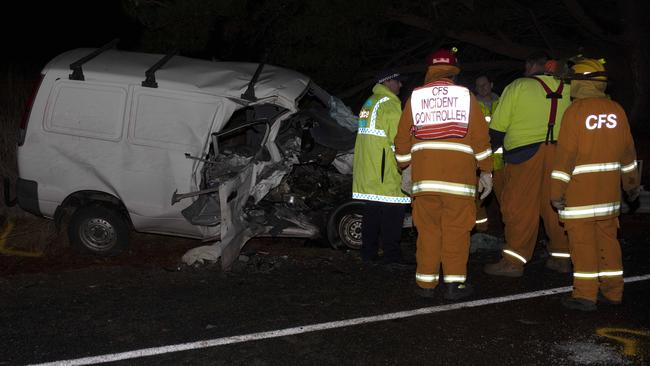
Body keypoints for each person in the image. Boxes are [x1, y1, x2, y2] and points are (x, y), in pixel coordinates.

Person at [394, 48, 493, 300]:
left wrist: (405, 168)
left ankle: (425, 285)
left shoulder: (415, 97)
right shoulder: (465, 96)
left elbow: (402, 140)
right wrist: (487, 172)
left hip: (425, 180)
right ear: (453, 70)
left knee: (427, 231)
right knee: (456, 232)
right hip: (458, 181)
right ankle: (454, 285)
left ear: (430, 70)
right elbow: (481, 138)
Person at [550, 58, 640, 311]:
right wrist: (631, 184)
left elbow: (565, 157)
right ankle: (614, 291)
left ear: (579, 82)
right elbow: (628, 153)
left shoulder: (575, 113)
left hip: (580, 195)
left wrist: (556, 193)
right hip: (609, 196)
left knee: (583, 245)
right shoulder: (616, 110)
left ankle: (585, 295)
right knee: (608, 242)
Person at [484, 51, 572, 277]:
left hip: (524, 156)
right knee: (555, 206)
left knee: (519, 207)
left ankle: (513, 261)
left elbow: (497, 129)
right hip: (560, 155)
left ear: (532, 65)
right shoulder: (568, 87)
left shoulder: (518, 86)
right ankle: (562, 258)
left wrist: (485, 158)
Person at [352, 68, 411, 266]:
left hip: (370, 170)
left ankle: (368, 254)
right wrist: (407, 165)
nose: (401, 85)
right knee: (394, 213)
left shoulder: (370, 102)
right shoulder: (390, 105)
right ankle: (392, 257)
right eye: (398, 81)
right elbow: (399, 142)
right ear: (388, 82)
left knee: (372, 213)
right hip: (386, 172)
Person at [474, 75, 502, 231]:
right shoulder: (473, 105)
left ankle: (505, 230)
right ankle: (481, 231)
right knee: (479, 197)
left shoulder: (502, 103)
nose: (482, 88)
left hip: (502, 161)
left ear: (491, 84)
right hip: (480, 161)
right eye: (478, 86)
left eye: (484, 84)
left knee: (505, 197)